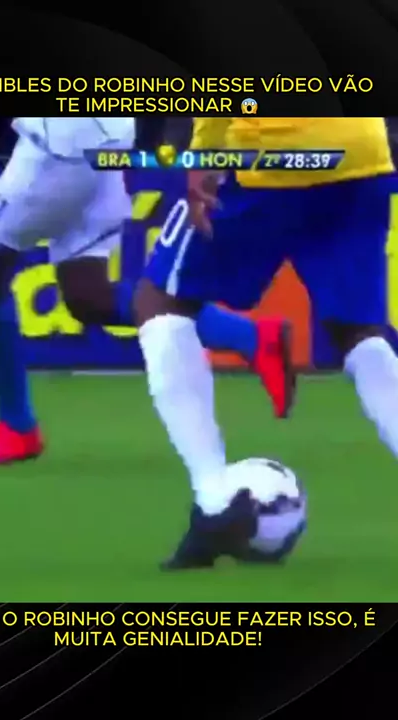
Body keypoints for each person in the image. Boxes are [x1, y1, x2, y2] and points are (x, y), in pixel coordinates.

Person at [135, 117, 398, 570]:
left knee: (160, 300)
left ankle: (214, 500)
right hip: (361, 155)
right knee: (358, 330)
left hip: (268, 157)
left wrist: (204, 154)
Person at [0, 117, 292, 465]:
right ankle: (252, 337)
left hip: (61, 145)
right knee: (88, 295)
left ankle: (16, 424)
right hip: (101, 140)